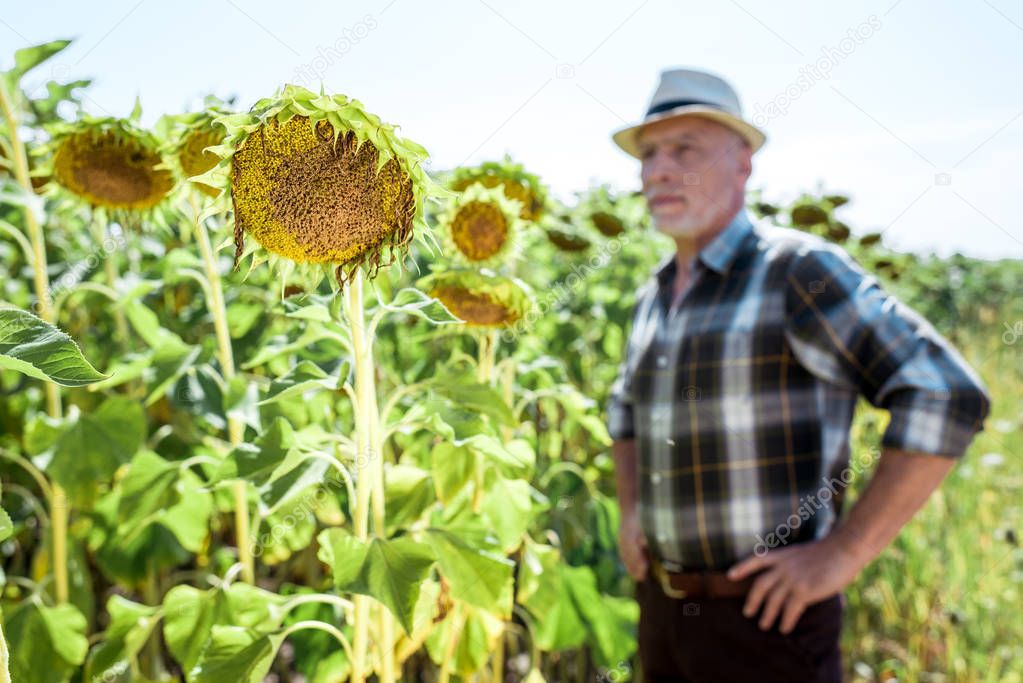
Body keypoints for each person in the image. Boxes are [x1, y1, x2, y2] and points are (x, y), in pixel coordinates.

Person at [607, 67, 992, 682]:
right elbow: (623, 413)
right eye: (649, 153)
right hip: (662, 613)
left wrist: (844, 553)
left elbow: (946, 393)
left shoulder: (795, 272)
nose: (657, 170)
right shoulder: (655, 295)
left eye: (685, 149)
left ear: (743, 163)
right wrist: (631, 513)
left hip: (769, 623)